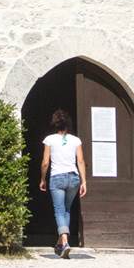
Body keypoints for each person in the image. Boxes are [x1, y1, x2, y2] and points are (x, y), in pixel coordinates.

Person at [39, 108, 87, 258]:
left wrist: (42, 179)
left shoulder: (49, 139)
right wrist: (84, 181)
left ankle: (64, 241)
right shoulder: (76, 140)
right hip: (73, 178)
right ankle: (60, 243)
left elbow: (45, 162)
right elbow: (80, 161)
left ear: (55, 124)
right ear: (68, 124)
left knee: (59, 210)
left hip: (57, 178)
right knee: (66, 210)